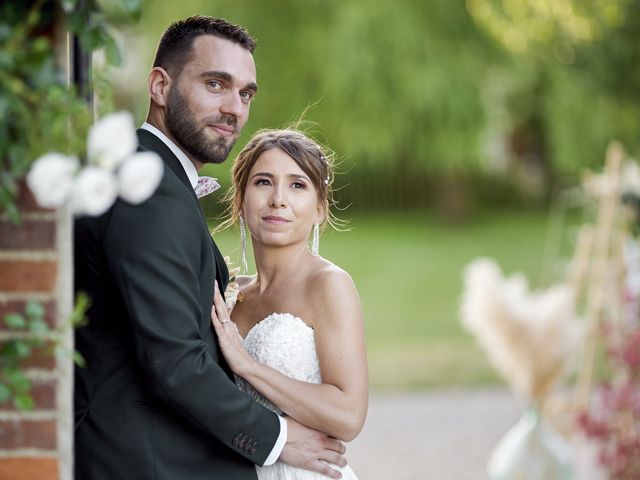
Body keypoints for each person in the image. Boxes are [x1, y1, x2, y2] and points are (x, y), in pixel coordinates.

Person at [74, 16, 346, 480]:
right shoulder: (150, 187)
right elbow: (174, 361)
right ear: (160, 86)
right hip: (147, 462)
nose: (234, 108)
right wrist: (276, 437)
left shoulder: (152, 176)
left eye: (245, 93)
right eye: (216, 84)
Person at [210, 128, 369, 479]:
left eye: (297, 185)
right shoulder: (230, 294)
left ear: (319, 210)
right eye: (263, 182)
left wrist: (247, 366)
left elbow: (349, 416)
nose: (278, 199)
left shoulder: (328, 285)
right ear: (240, 200)